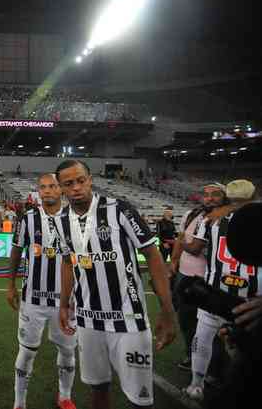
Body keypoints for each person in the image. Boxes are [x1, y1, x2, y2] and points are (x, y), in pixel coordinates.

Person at [53, 160, 175, 409]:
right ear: (61, 188)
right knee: (97, 389)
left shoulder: (119, 209)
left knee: (140, 400)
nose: (76, 187)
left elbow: (152, 255)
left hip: (129, 319)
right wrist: (64, 304)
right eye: (69, 183)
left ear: (90, 180)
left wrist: (167, 308)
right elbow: (68, 263)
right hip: (88, 320)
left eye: (81, 180)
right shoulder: (60, 220)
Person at [180, 179, 258, 402]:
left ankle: (196, 385)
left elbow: (195, 248)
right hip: (251, 297)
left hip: (216, 292)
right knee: (246, 347)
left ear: (227, 197)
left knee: (202, 338)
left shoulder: (211, 221)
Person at [6, 173, 78, 409]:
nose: (47, 191)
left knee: (67, 351)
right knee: (26, 352)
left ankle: (65, 396)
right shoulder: (27, 218)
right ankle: (19, 402)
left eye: (52, 186)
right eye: (43, 187)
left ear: (61, 190)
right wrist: (10, 285)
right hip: (32, 300)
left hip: (66, 302)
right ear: (38, 191)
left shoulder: (76, 219)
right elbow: (16, 251)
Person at [169, 183, 226, 371]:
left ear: (224, 197)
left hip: (211, 280)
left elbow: (192, 248)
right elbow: (182, 240)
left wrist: (180, 241)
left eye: (215, 195)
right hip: (185, 277)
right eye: (206, 194)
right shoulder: (191, 215)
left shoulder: (226, 219)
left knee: (212, 328)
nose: (209, 198)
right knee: (186, 321)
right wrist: (174, 263)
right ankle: (191, 356)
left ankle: (215, 367)